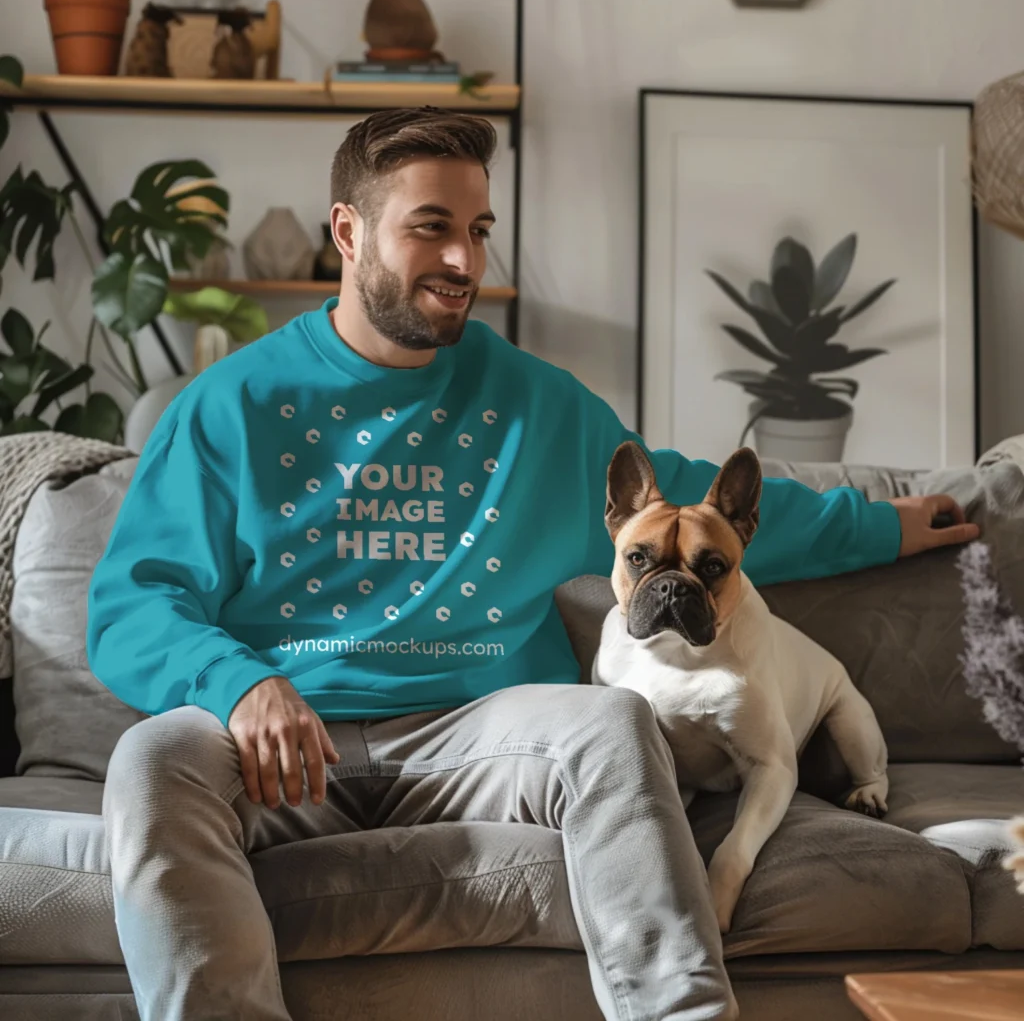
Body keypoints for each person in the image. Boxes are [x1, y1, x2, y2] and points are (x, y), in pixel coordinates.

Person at [87, 106, 979, 1021]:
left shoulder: (538, 407)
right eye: (431, 227)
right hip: (286, 742)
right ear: (348, 234)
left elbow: (694, 507)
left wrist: (886, 525)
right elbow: (130, 606)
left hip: (483, 732)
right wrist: (239, 685)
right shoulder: (231, 405)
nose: (466, 263)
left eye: (478, 232)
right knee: (150, 763)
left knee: (612, 726)